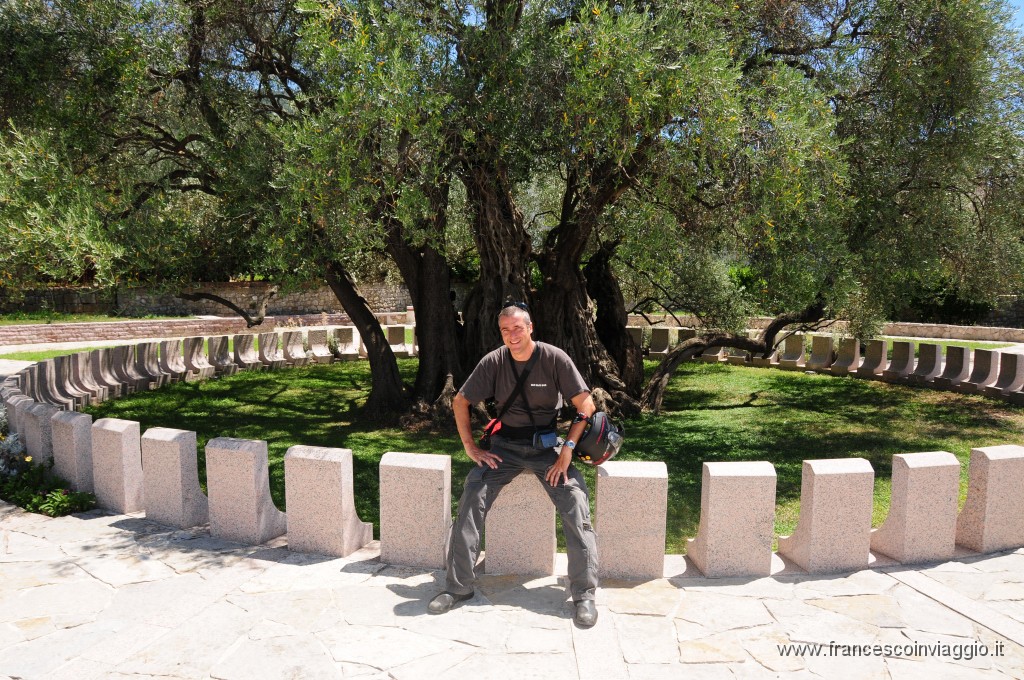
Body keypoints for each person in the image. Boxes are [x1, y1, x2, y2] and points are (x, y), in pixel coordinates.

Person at [428, 302, 600, 627]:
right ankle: (458, 587)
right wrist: (470, 447)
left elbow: (586, 405)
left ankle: (584, 594)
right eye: (505, 330)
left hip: (548, 448)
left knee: (576, 503)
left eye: (517, 328)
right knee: (471, 497)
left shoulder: (554, 358)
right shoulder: (494, 361)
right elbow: (460, 400)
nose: (511, 336)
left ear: (530, 327)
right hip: (504, 447)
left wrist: (568, 451)